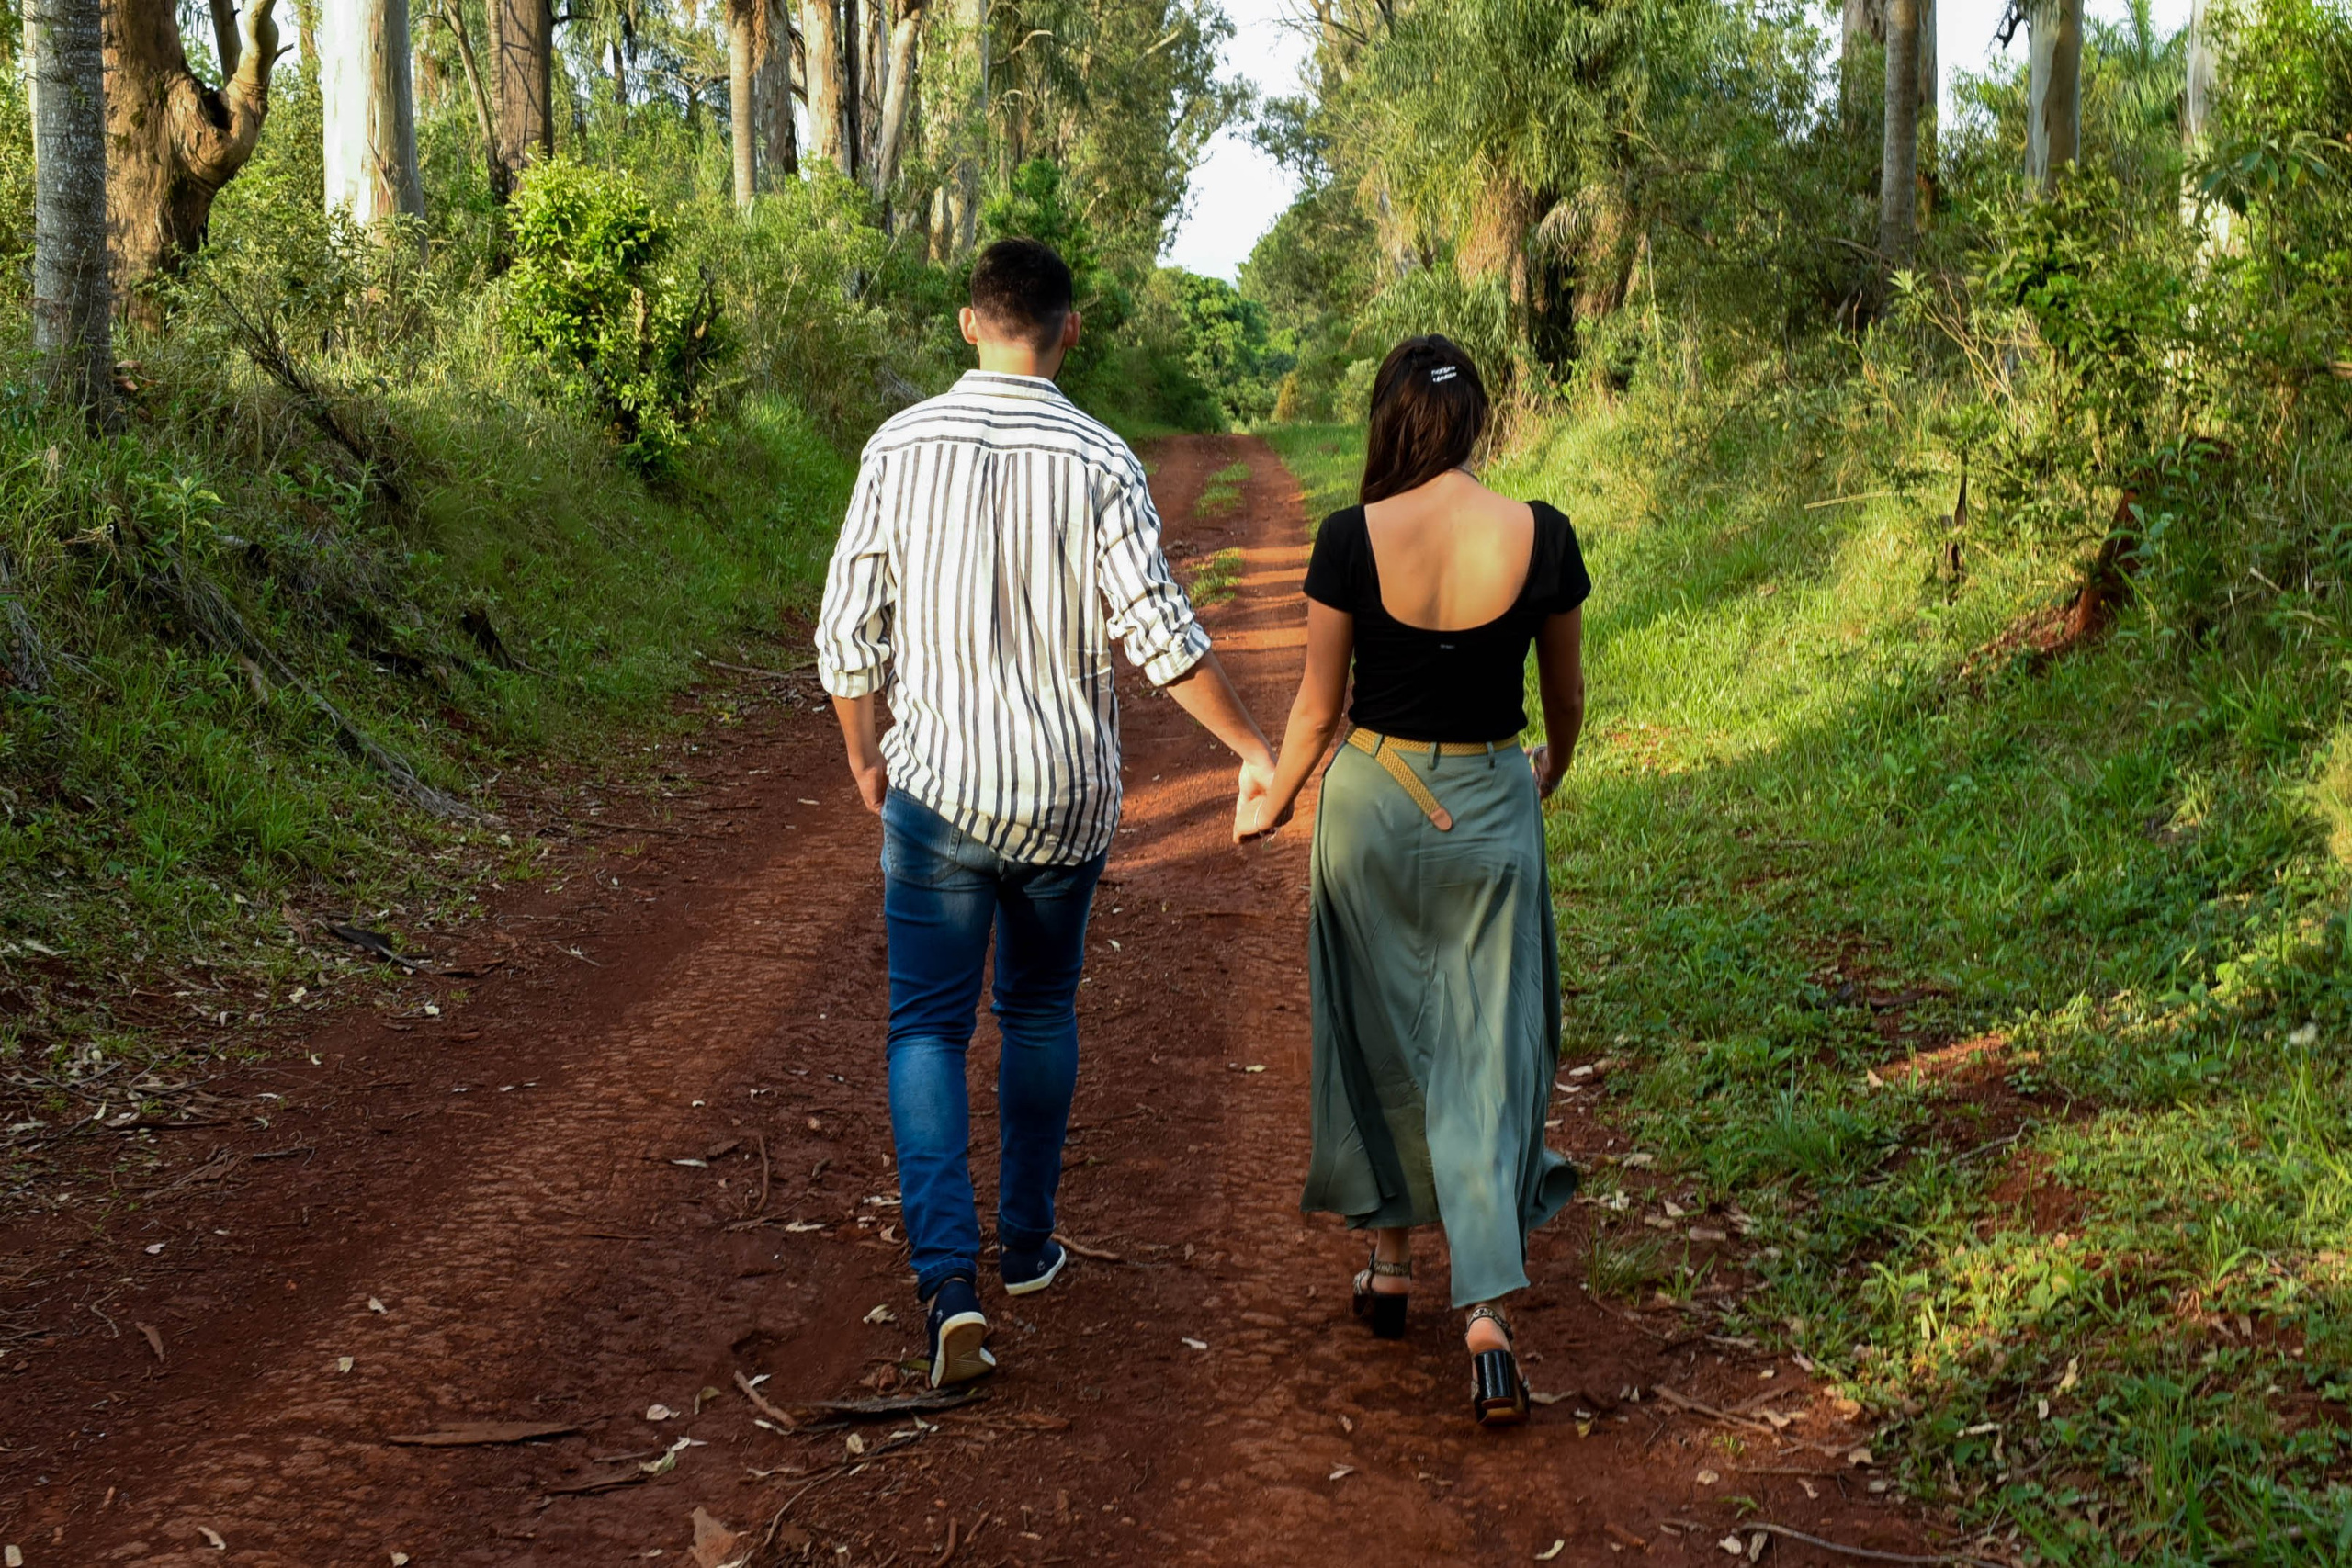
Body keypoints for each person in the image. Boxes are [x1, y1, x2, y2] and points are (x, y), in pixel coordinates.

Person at [815, 238, 1277, 1389]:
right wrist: (1254, 749)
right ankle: (1025, 1247)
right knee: (1033, 1010)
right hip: (1063, 800)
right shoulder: (1100, 456)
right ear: (1070, 332)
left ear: (968, 323)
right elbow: (1160, 636)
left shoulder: (897, 443)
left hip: (938, 789)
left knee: (925, 1026)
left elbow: (844, 634)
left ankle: (945, 1284)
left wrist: (870, 762)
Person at [1240, 333, 1589, 1427]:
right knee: (1488, 1046)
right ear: (1474, 421)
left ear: (1390, 421)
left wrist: (1277, 800)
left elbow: (1313, 708)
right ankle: (1485, 1312)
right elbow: (1566, 699)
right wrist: (1548, 771)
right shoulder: (1544, 534)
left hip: (1372, 804)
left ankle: (1388, 1270)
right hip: (1492, 799)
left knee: (1377, 1034)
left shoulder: (1350, 538)